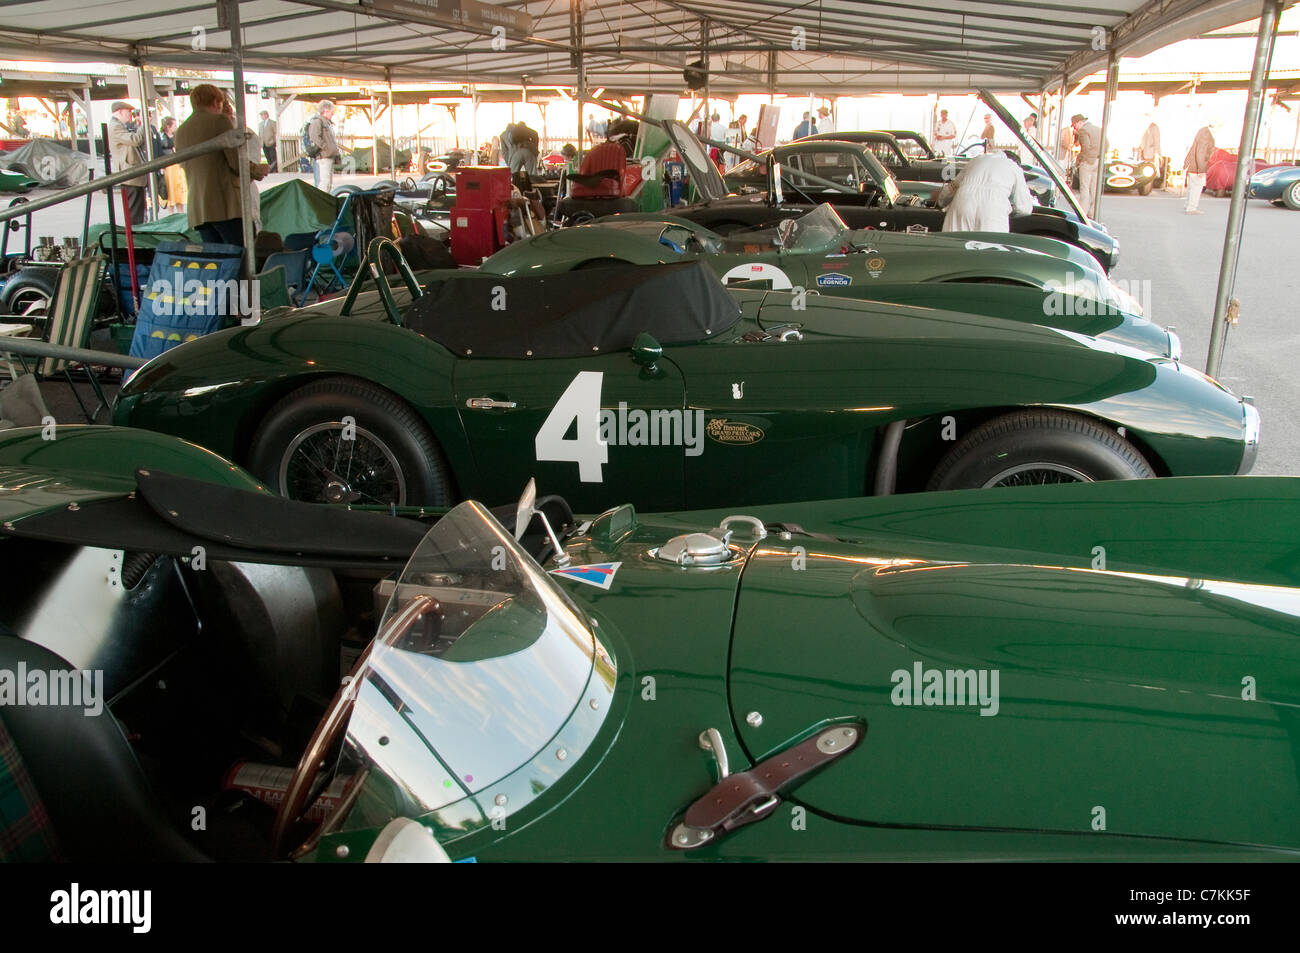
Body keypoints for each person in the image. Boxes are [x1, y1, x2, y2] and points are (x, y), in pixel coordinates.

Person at [173, 84, 268, 247]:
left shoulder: (181, 130)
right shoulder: (220, 121)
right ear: (217, 101)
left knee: (216, 260)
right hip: (226, 205)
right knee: (243, 256)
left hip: (199, 208)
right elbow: (235, 161)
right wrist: (257, 170)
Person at [936, 151, 1034, 232]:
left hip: (963, 203)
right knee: (990, 251)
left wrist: (941, 202)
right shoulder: (1014, 167)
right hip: (993, 211)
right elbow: (1024, 208)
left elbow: (952, 188)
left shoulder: (976, 160)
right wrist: (1009, 210)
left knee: (956, 250)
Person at [108, 100, 149, 224]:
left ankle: (135, 238)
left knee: (137, 212)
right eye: (128, 112)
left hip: (132, 176)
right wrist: (144, 125)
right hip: (130, 177)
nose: (130, 115)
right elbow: (135, 140)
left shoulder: (118, 126)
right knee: (135, 215)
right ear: (120, 111)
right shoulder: (116, 127)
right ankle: (134, 240)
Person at [1071, 113, 1102, 217]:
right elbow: (1106, 145)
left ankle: (1082, 212)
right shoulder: (1098, 129)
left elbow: (1085, 148)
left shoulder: (1084, 131)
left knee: (1084, 188)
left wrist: (1079, 158)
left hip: (1087, 162)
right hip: (1098, 161)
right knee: (1094, 187)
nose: (1075, 128)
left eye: (1075, 125)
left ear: (1080, 122)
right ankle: (1093, 212)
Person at [306, 100, 339, 192]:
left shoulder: (327, 123)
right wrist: (326, 148)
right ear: (325, 110)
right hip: (323, 157)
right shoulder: (317, 121)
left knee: (328, 183)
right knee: (324, 183)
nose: (333, 113)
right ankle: (322, 203)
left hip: (328, 156)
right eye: (331, 111)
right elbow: (315, 137)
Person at [1184, 121, 1216, 214]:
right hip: (1197, 166)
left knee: (1192, 186)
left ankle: (1188, 204)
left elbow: (1194, 149)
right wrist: (1201, 170)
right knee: (1197, 187)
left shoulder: (1203, 131)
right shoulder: (1206, 134)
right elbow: (1200, 152)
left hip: (1193, 165)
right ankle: (1192, 208)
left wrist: (1186, 163)